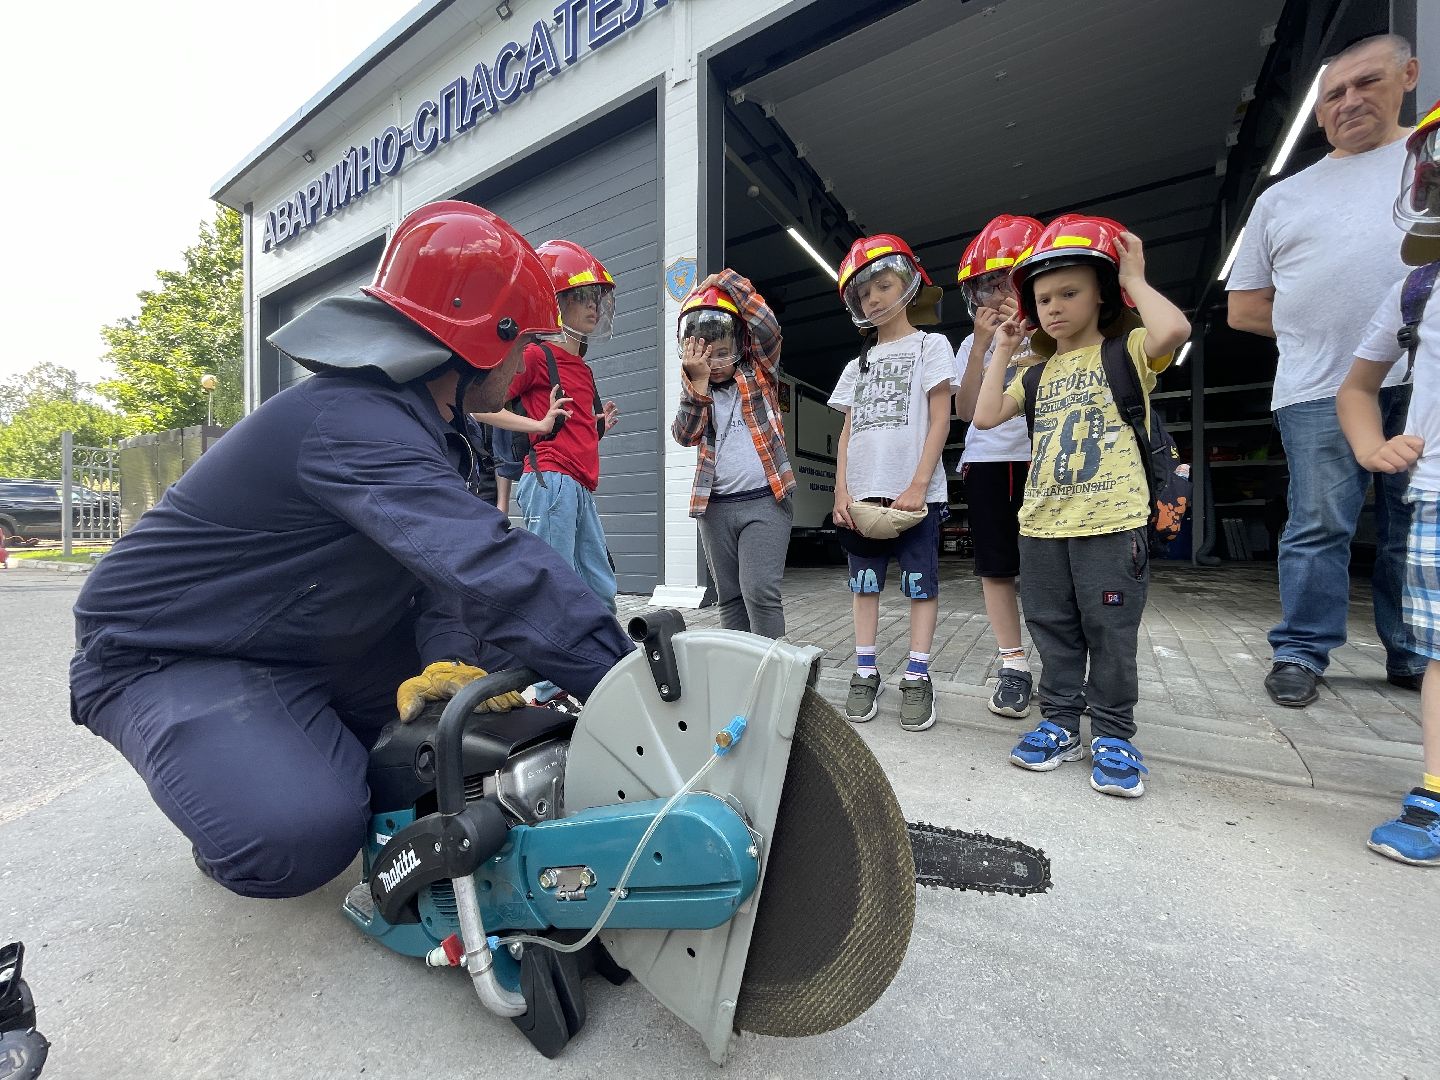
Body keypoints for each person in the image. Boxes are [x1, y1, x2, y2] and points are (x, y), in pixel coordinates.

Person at [68, 201, 636, 899]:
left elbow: (445, 585)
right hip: (171, 650)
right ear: (489, 336)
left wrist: (443, 663)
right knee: (302, 834)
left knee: (480, 716)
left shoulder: (429, 428)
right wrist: (632, 692)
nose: (525, 364)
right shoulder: (350, 422)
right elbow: (489, 565)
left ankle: (302, 742)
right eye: (523, 345)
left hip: (312, 638)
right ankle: (237, 798)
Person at [1227, 33, 1425, 707]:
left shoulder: (1428, 163)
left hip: (1425, 383)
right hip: (1318, 385)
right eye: (1335, 94)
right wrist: (1330, 325)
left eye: (1367, 83)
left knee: (1416, 522)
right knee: (1317, 522)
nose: (1350, 101)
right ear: (1318, 113)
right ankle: (1302, 651)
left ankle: (1415, 651)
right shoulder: (1283, 199)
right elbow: (1244, 308)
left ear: (1409, 76)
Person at [973, 215, 1190, 797]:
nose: (1053, 307)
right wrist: (1003, 348)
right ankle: (1061, 723)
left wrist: (1135, 277)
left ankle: (1115, 732)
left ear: (1103, 294)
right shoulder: (1037, 372)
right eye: (1042, 298)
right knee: (1053, 628)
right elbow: (986, 415)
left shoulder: (1130, 352)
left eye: (1069, 293)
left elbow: (1174, 328)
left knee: (1110, 631)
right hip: (1042, 527)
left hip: (1114, 523)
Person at [1337, 97, 1440, 864]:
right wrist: (1371, 447)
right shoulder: (1420, 288)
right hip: (1435, 489)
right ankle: (1435, 790)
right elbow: (1358, 383)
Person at [828, 234, 954, 733]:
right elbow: (847, 433)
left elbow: (941, 418)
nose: (875, 298)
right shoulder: (855, 364)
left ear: (909, 282)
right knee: (864, 586)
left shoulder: (931, 345)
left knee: (920, 587)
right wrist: (841, 491)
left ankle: (918, 675)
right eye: (865, 293)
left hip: (915, 497)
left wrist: (920, 483)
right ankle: (865, 671)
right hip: (862, 497)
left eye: (884, 284)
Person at [474, 239, 620, 615]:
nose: (593, 305)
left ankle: (597, 665)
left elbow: (568, 423)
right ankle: (549, 675)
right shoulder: (537, 356)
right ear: (556, 303)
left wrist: (595, 425)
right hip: (551, 480)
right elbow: (479, 408)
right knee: (557, 586)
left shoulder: (582, 367)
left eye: (597, 297)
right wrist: (536, 424)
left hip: (581, 485)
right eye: (583, 295)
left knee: (600, 587)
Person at [953, 214, 1045, 719]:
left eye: (1003, 283)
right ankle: (1013, 663)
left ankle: (1062, 660)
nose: (994, 297)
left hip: (1043, 459)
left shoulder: (1052, 331)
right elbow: (966, 412)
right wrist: (985, 346)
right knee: (996, 568)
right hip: (988, 461)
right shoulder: (972, 343)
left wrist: (1025, 337)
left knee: (1048, 570)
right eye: (985, 287)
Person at [670, 272, 795, 639]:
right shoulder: (697, 385)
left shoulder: (760, 374)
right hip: (716, 507)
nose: (717, 363)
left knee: (760, 591)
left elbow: (767, 326)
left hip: (766, 500)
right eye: (708, 357)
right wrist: (696, 386)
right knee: (730, 597)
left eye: (723, 353)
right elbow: (685, 435)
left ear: (739, 345)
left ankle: (773, 672)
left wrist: (724, 281)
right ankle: (739, 673)